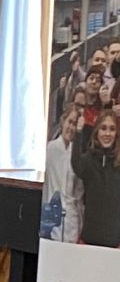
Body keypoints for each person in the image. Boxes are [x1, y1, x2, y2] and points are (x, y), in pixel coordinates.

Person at [72, 106, 120, 247]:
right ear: (97, 131)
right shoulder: (88, 159)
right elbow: (76, 165)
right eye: (103, 128)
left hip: (114, 243)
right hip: (89, 239)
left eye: (112, 129)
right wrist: (78, 133)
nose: (107, 133)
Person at [43, 94, 86, 242]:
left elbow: (79, 192)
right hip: (51, 220)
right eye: (70, 122)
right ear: (63, 121)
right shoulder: (50, 149)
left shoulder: (78, 155)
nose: (71, 127)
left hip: (72, 221)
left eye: (75, 124)